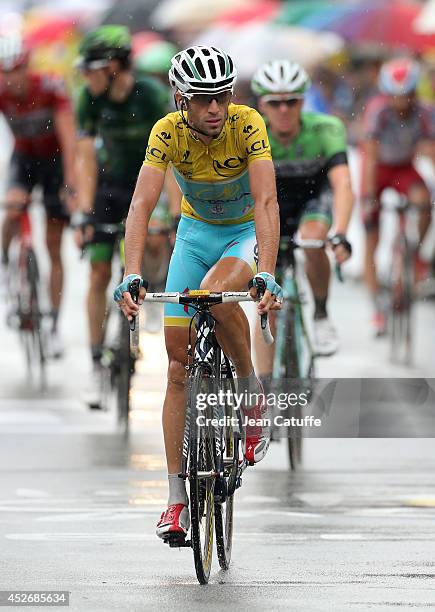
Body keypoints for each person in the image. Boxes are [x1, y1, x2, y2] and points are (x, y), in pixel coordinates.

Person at [114, 45, 282, 540]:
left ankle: (251, 396)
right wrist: (130, 274)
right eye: (203, 99)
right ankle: (175, 499)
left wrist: (266, 272)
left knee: (210, 294)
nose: (215, 109)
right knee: (175, 363)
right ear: (180, 100)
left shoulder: (248, 123)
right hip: (193, 234)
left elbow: (268, 200)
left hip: (241, 234)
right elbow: (141, 207)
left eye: (222, 97)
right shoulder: (166, 132)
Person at [72, 25, 174, 406]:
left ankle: (149, 284)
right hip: (109, 186)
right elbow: (84, 157)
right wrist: (84, 211)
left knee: (156, 235)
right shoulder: (90, 98)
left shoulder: (150, 96)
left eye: (90, 67)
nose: (84, 76)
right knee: (98, 271)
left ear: (114, 66)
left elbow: (174, 159)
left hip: (148, 182)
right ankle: (98, 362)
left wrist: (174, 213)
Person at [250, 59, 353, 375]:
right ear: (261, 104)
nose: (284, 109)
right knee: (267, 305)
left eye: (291, 101)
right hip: (271, 207)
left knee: (312, 241)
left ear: (303, 101)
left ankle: (320, 313)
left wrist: (341, 232)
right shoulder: (250, 134)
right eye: (275, 102)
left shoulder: (326, 129)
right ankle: (263, 393)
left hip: (312, 200)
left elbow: (343, 184)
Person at [0, 33, 77, 357]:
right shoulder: (2, 91)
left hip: (55, 162)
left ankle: (54, 325)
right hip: (24, 160)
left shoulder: (49, 87)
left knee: (53, 245)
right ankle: (5, 266)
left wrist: (70, 183)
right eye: (5, 71)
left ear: (26, 66)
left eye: (16, 70)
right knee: (12, 211)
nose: (11, 78)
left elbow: (69, 137)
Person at [361, 57, 435, 335]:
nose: (401, 102)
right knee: (371, 235)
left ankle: (415, 253)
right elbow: (369, 156)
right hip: (378, 169)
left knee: (424, 201)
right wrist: (369, 196)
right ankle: (376, 310)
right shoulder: (378, 111)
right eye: (395, 96)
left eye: (406, 96)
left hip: (404, 167)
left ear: (415, 93)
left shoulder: (426, 112)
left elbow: (431, 149)